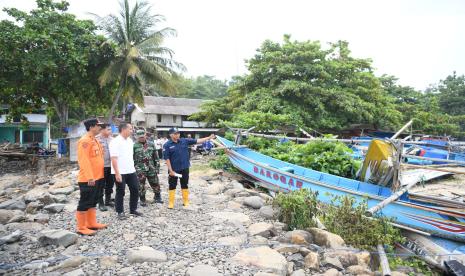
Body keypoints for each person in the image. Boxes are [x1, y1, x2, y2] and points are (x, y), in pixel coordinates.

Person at [163, 127, 215, 209]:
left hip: (184, 167)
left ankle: (185, 201)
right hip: (174, 169)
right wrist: (170, 170)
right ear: (171, 135)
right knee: (172, 185)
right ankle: (171, 203)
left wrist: (208, 137)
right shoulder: (167, 145)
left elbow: (198, 141)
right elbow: (167, 158)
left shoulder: (184, 141)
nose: (177, 135)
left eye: (178, 133)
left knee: (185, 184)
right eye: (175, 133)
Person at [76, 118, 107, 235]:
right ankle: (81, 227)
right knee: (85, 201)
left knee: (94, 200)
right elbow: (83, 161)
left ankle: (91, 223)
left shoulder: (95, 140)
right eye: (98, 126)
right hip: (88, 178)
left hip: (98, 177)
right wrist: (90, 177)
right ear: (92, 127)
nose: (100, 128)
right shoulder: (84, 141)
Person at [109, 122, 142, 219]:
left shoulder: (130, 141)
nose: (132, 131)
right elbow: (113, 158)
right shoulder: (115, 142)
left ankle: (133, 209)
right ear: (123, 129)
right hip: (120, 171)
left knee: (135, 189)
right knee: (120, 191)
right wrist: (117, 173)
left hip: (131, 170)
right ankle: (120, 212)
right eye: (130, 129)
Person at [133, 129, 162, 206]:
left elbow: (156, 157)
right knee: (141, 184)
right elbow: (132, 158)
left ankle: (157, 197)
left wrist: (157, 167)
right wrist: (134, 168)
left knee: (155, 182)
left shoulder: (151, 144)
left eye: (143, 136)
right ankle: (142, 199)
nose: (141, 138)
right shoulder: (134, 145)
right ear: (136, 137)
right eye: (140, 137)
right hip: (140, 169)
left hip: (151, 167)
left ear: (145, 135)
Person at [96, 124, 114, 210]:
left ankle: (108, 200)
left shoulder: (112, 139)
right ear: (102, 130)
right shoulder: (96, 139)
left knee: (110, 184)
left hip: (111, 165)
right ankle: (101, 203)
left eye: (110, 129)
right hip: (101, 166)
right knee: (100, 185)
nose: (110, 131)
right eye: (108, 129)